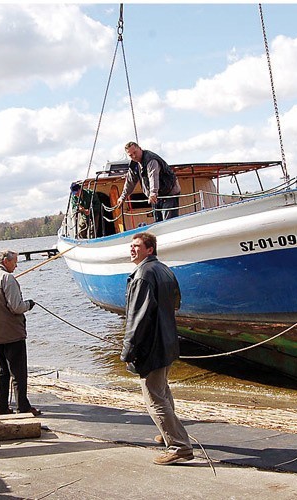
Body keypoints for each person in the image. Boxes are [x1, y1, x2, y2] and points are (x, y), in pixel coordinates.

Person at [120, 232, 193, 465]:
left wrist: (128, 350)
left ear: (149, 249)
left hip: (152, 346)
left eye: (137, 246)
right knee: (162, 389)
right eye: (131, 246)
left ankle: (179, 446)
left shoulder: (142, 275)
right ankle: (168, 434)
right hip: (168, 341)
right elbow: (176, 303)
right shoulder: (164, 269)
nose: (132, 250)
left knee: (154, 397)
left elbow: (138, 318)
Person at [0, 250, 41, 416]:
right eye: (15, 261)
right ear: (6, 261)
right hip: (12, 333)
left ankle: (1, 407)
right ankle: (23, 406)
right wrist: (29, 304)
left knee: (0, 372)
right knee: (18, 373)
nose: (16, 265)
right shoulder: (7, 278)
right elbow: (16, 307)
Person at [117, 142, 181, 222]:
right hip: (156, 196)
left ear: (140, 148)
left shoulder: (151, 159)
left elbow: (153, 176)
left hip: (169, 192)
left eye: (135, 152)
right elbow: (130, 182)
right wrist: (123, 197)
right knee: (158, 222)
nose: (134, 156)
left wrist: (153, 193)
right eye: (130, 155)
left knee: (169, 221)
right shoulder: (134, 165)